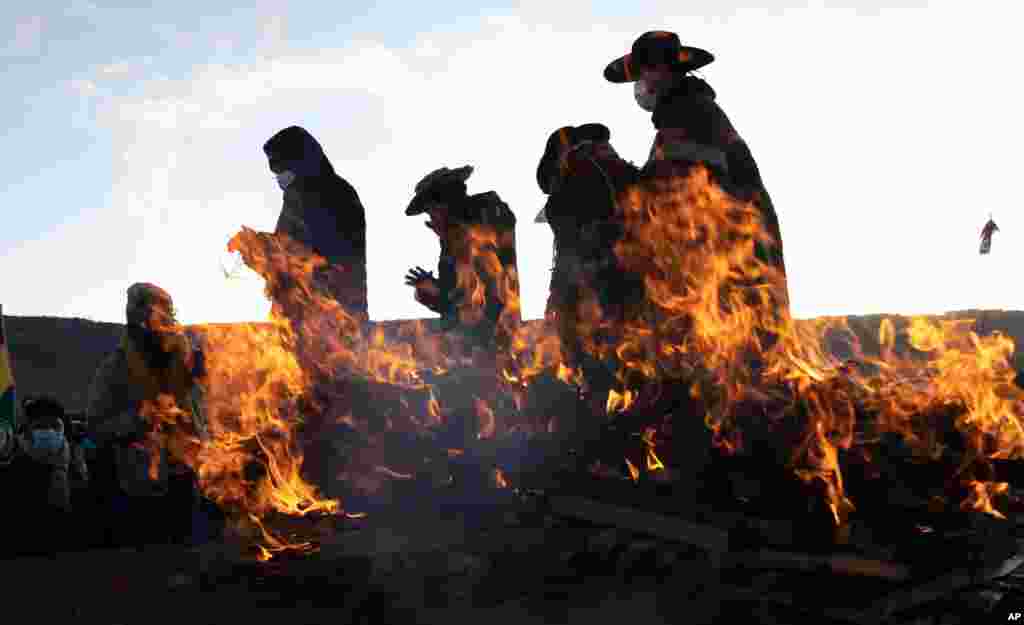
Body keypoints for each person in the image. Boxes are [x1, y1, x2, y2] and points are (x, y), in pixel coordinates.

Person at [603, 30, 788, 286]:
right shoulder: (688, 110)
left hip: (734, 262)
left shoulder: (688, 112)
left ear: (662, 71)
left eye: (642, 74)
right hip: (739, 256)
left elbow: (673, 187)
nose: (640, 84)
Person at [85, 282, 209, 548]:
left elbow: (202, 419)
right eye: (147, 312)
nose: (158, 321)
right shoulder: (115, 368)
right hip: (139, 488)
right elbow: (96, 426)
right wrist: (139, 419)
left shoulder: (186, 362)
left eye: (165, 313)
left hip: (188, 482)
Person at [534, 123, 643, 387]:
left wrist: (560, 303)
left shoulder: (581, 177)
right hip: (635, 292)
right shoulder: (619, 172)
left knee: (607, 379)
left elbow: (573, 252)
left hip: (601, 299)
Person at [403, 165, 520, 350]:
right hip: (468, 343)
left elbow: (490, 296)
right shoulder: (454, 241)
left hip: (486, 344)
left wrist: (481, 339)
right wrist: (430, 289)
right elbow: (453, 299)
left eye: (432, 210)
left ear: (446, 204)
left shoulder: (479, 233)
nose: (431, 219)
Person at [264, 125, 369, 320]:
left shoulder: (335, 195)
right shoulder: (296, 197)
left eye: (281, 168)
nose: (278, 176)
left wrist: (268, 249)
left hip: (331, 319)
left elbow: (319, 257)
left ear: (299, 162)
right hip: (297, 319)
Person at [0, 396, 73, 556]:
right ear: (27, 428)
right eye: (41, 425)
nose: (48, 432)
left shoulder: (72, 458)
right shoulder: (10, 457)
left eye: (53, 425)